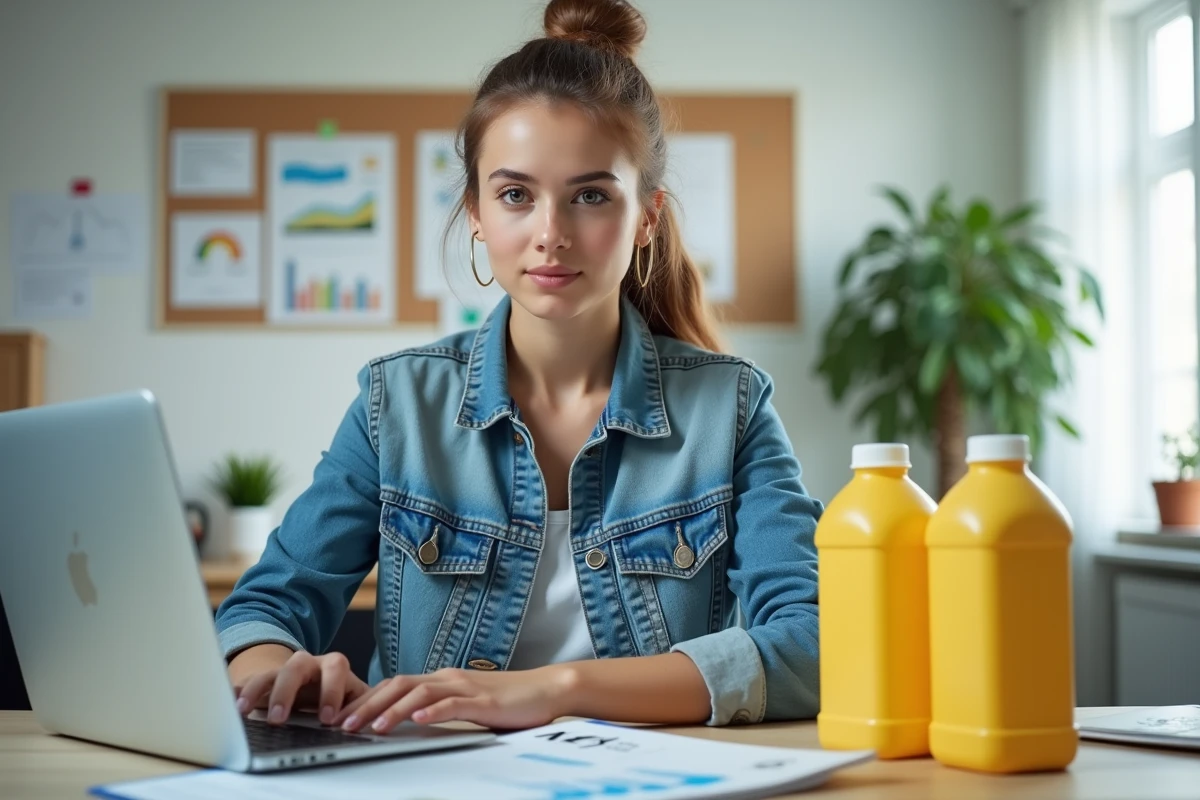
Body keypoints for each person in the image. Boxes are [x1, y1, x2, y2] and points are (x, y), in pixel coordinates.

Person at [217, 0, 821, 735]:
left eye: (591, 196)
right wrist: (279, 672)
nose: (550, 235)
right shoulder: (396, 403)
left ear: (647, 217)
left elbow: (810, 646)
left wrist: (555, 689)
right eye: (515, 194)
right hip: (430, 780)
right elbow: (261, 611)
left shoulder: (732, 409)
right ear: (476, 211)